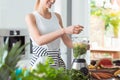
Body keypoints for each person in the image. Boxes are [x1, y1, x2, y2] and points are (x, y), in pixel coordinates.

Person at [25, 0, 83, 69]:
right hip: (40, 63)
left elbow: (68, 42)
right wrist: (64, 30)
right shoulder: (31, 17)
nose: (52, 1)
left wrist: (84, 46)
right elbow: (39, 41)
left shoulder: (57, 16)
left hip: (56, 62)